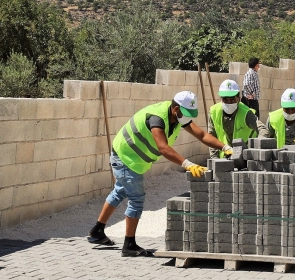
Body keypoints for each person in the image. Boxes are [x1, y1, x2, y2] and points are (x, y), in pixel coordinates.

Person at [88, 91, 232, 257]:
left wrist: (224, 147)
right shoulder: (157, 118)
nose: (187, 118)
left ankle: (97, 230)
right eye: (185, 113)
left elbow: (202, 135)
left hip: (134, 158)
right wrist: (187, 164)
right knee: (136, 198)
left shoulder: (178, 116)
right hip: (126, 157)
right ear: (175, 109)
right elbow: (163, 148)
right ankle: (129, 245)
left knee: (120, 191)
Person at [208, 79, 269, 157]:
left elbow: (263, 130)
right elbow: (211, 137)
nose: (228, 103)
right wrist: (214, 159)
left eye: (232, 99)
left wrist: (257, 151)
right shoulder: (214, 112)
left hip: (245, 156)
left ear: (239, 99)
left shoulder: (246, 113)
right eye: (225, 99)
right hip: (225, 157)